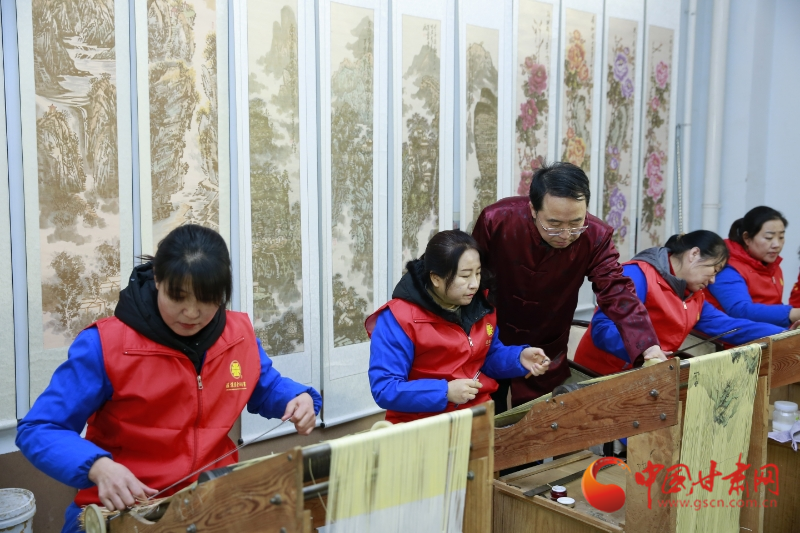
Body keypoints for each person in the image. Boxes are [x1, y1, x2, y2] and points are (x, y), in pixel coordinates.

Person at [16, 225, 322, 533]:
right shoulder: (105, 345)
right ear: (157, 279)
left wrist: (296, 397)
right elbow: (40, 427)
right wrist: (98, 466)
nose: (191, 313)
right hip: (126, 510)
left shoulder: (237, 336)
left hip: (211, 504)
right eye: (178, 297)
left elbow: (264, 385)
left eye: (207, 299)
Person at [472, 162, 666, 409]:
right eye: (553, 225)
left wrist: (647, 345)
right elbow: (472, 280)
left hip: (546, 342)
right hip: (490, 335)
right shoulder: (496, 220)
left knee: (540, 416)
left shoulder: (595, 236)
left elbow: (616, 290)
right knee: (487, 413)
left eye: (576, 223)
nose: (565, 235)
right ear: (533, 209)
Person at [366, 230, 551, 423]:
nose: (474, 284)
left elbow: (488, 357)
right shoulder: (398, 318)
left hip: (477, 415)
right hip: (420, 424)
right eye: (465, 276)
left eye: (477, 273)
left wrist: (518, 358)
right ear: (436, 278)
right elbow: (385, 388)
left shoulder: (481, 306)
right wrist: (445, 392)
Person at [574, 231, 784, 375]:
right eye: (714, 270)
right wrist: (645, 349)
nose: (713, 280)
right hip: (602, 375)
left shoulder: (694, 296)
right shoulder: (637, 275)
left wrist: (784, 333)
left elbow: (730, 327)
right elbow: (602, 328)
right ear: (694, 254)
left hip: (649, 376)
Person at [704, 206, 800, 328]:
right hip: (734, 336)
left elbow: (772, 305)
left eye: (781, 237)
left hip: (769, 332)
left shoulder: (772, 265)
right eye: (769, 238)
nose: (777, 244)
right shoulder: (727, 267)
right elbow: (740, 310)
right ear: (747, 238)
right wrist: (792, 314)